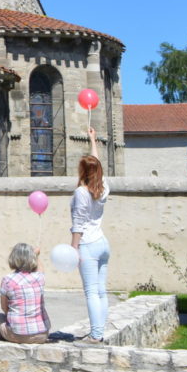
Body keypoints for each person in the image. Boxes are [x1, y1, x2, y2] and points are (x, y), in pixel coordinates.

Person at [72, 125, 110, 343]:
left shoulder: (81, 193)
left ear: (82, 172)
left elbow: (78, 225)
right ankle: (100, 329)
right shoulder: (103, 186)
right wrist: (93, 140)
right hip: (103, 243)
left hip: (87, 244)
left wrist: (73, 249)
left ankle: (96, 334)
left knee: (91, 292)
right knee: (101, 291)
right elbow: (98, 165)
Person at [0, 243, 50, 343]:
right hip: (42, 334)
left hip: (18, 334)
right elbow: (41, 268)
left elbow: (4, 308)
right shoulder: (39, 278)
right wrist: (36, 255)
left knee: (0, 317)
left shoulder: (8, 280)